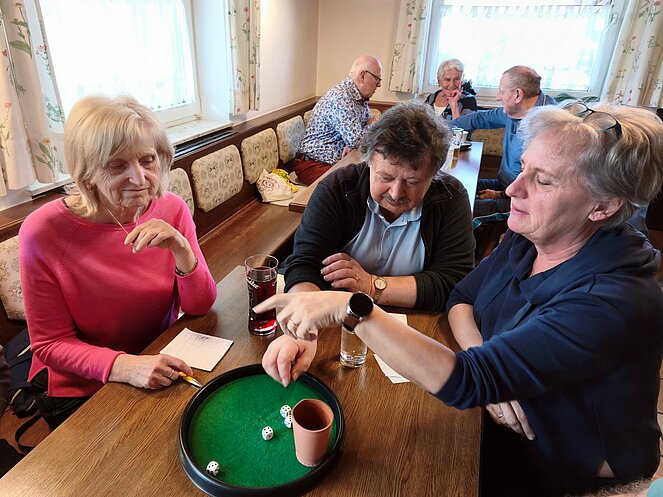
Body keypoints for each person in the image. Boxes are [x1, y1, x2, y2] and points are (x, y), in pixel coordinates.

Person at [257, 103, 663, 497]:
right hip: (494, 426)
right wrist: (494, 369)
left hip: (566, 473)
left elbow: (467, 378)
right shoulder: (530, 237)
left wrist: (350, 306)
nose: (512, 189)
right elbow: (462, 296)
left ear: (603, 206)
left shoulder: (612, 300)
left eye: (543, 181)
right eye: (524, 168)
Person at [18, 95, 217, 428]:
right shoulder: (43, 232)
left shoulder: (171, 209)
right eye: (116, 165)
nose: (139, 178)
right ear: (87, 174)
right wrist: (125, 367)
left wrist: (182, 249)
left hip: (157, 353)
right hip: (81, 384)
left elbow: (200, 305)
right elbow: (50, 344)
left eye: (147, 160)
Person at [270, 100, 475, 388]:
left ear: (433, 176)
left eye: (412, 181)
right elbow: (305, 263)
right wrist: (303, 329)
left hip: (415, 339)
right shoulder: (337, 189)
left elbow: (454, 283)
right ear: (368, 162)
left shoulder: (450, 199)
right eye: (385, 177)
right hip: (337, 329)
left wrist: (370, 285)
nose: (396, 193)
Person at [449, 65, 557, 216]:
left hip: (522, 200)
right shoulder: (515, 110)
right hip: (503, 185)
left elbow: (540, 184)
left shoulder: (549, 126)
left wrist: (501, 195)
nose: (498, 97)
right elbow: (478, 119)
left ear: (518, 95)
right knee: (451, 188)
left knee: (457, 211)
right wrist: (438, 127)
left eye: (501, 91)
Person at [294, 54, 382, 185]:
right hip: (313, 164)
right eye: (377, 79)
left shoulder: (359, 97)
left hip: (336, 162)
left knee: (372, 177)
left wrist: (355, 139)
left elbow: (363, 132)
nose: (379, 85)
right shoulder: (341, 98)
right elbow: (358, 140)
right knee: (359, 185)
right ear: (363, 76)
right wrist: (369, 127)